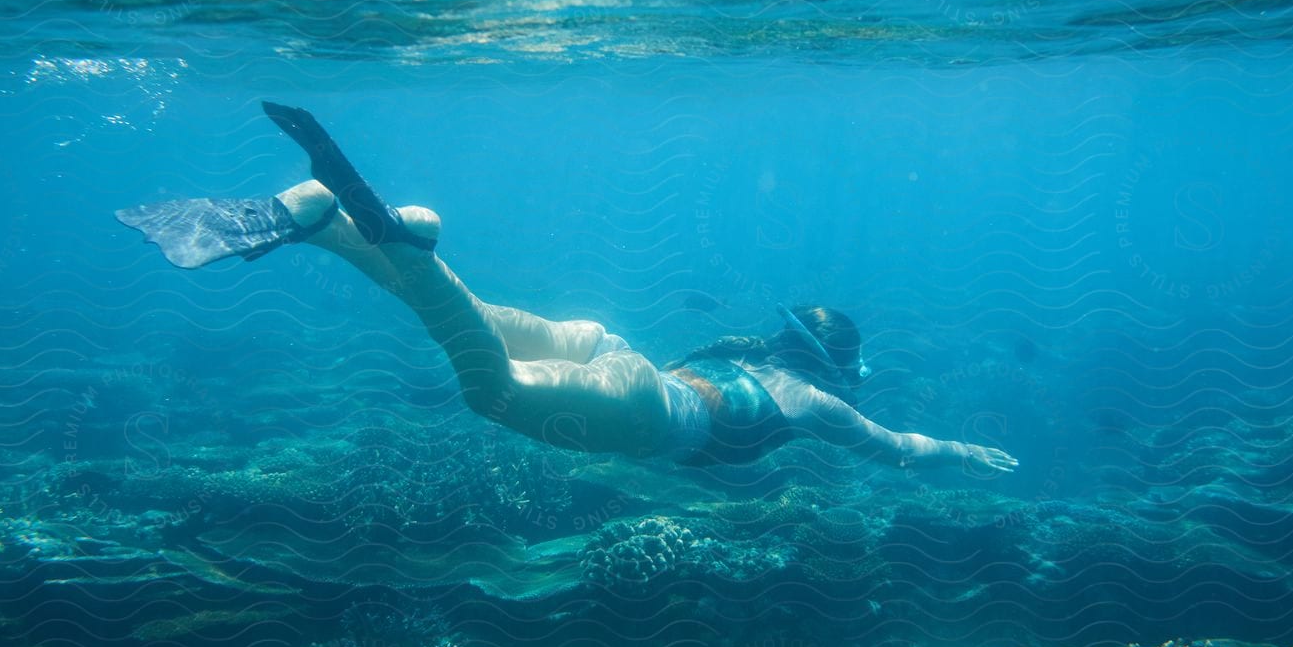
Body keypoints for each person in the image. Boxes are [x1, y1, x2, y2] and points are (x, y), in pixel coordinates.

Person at [116, 103, 1020, 476]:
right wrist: (965, 453)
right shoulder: (812, 402)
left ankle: (329, 226)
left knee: (477, 318)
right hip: (641, 410)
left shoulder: (749, 357)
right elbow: (901, 447)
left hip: (613, 351)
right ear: (830, 360)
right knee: (488, 384)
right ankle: (405, 236)